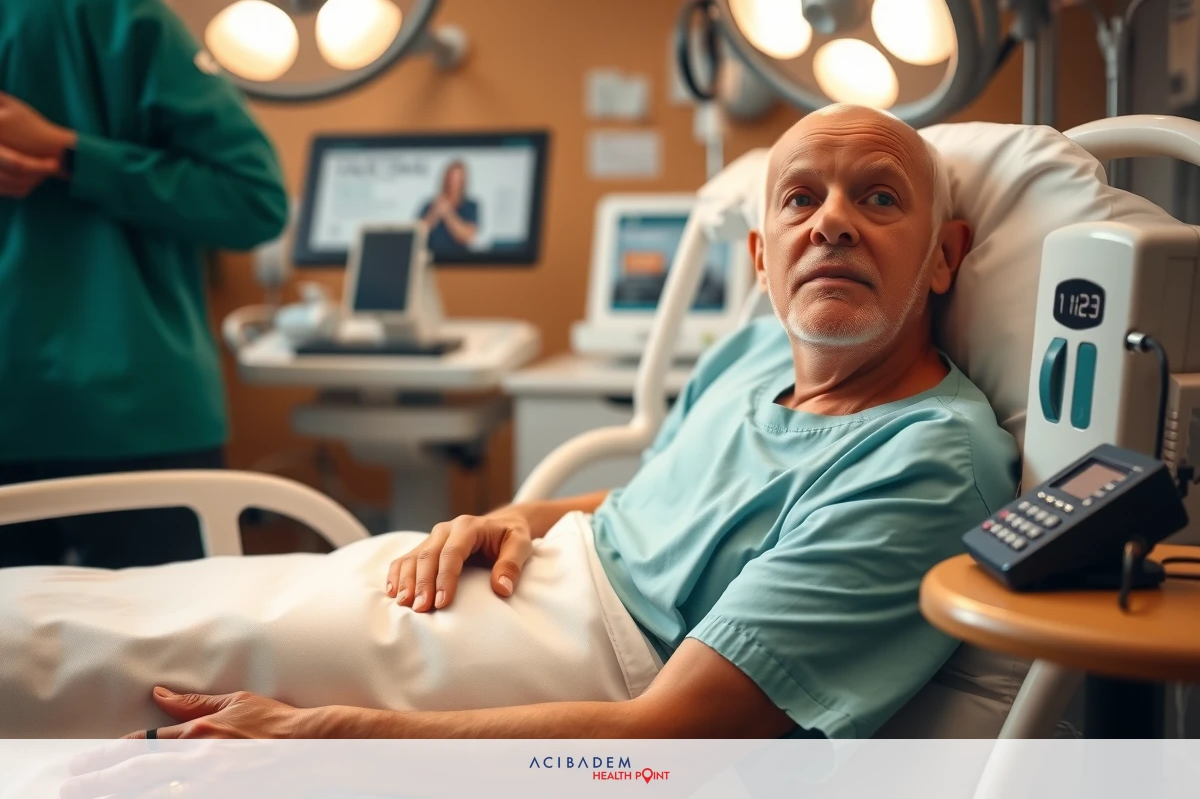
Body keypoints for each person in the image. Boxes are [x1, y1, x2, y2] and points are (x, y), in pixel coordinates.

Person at [0, 105, 1019, 743]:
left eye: (878, 197)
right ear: (761, 258)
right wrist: (517, 516)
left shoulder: (924, 458)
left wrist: (336, 736)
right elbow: (646, 501)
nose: (830, 219)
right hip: (528, 570)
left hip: (604, 657)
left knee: (132, 655)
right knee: (125, 597)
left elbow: (675, 732)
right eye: (801, 198)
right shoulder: (756, 358)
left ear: (943, 256)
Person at [0, 0, 289, 568]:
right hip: (136, 412)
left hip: (130, 420)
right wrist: (72, 155)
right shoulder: (121, 17)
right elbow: (255, 201)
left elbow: (254, 201)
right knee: (174, 650)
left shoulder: (117, 20)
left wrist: (72, 155)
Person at [418, 160, 479, 254]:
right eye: (452, 178)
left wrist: (448, 214)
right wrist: (434, 214)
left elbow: (467, 237)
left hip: (458, 262)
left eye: (458, 179)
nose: (454, 183)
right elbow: (418, 234)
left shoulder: (470, 206)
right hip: (432, 258)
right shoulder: (429, 205)